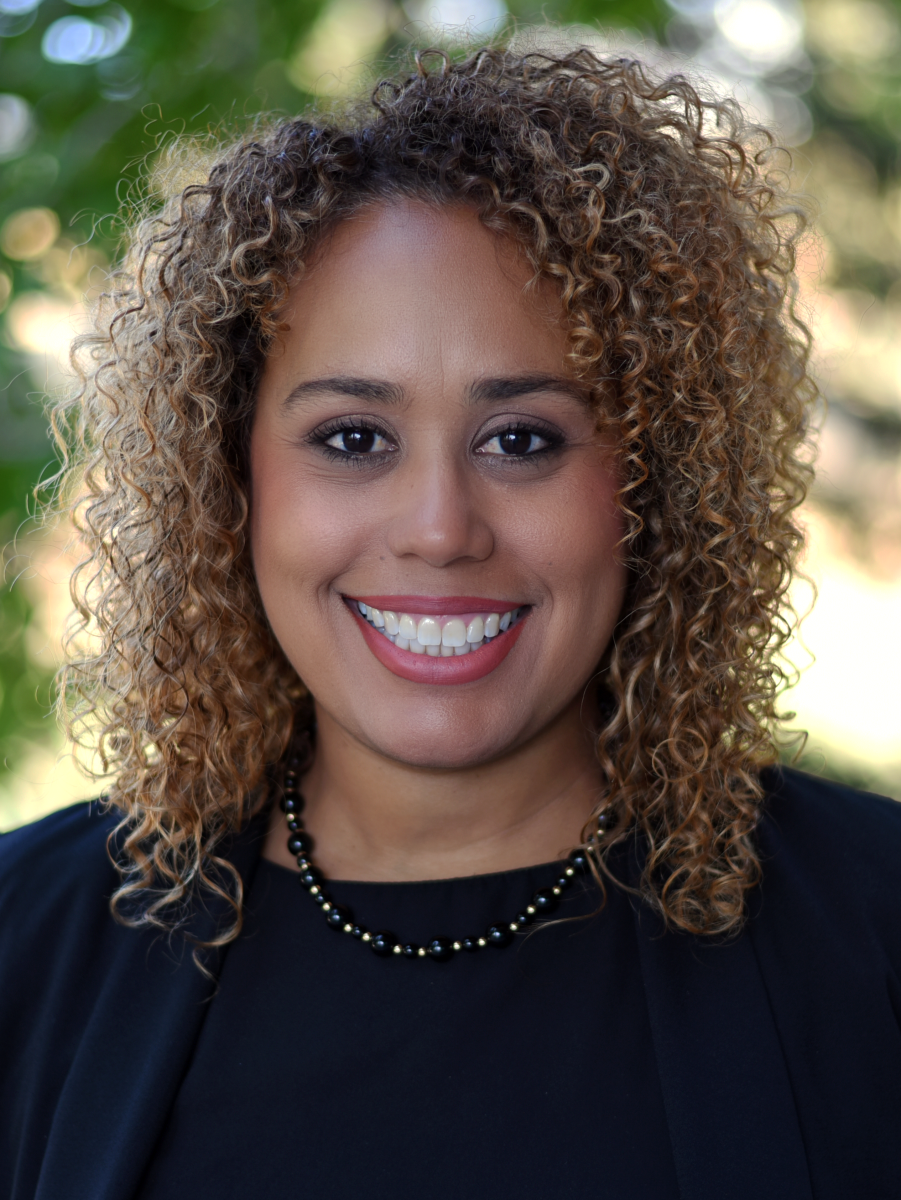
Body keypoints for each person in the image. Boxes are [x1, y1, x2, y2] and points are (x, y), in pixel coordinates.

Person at [1, 44, 899, 1200]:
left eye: (521, 439)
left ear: (652, 485)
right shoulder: (27, 943)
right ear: (231, 483)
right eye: (353, 439)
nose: (438, 529)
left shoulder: (873, 936)